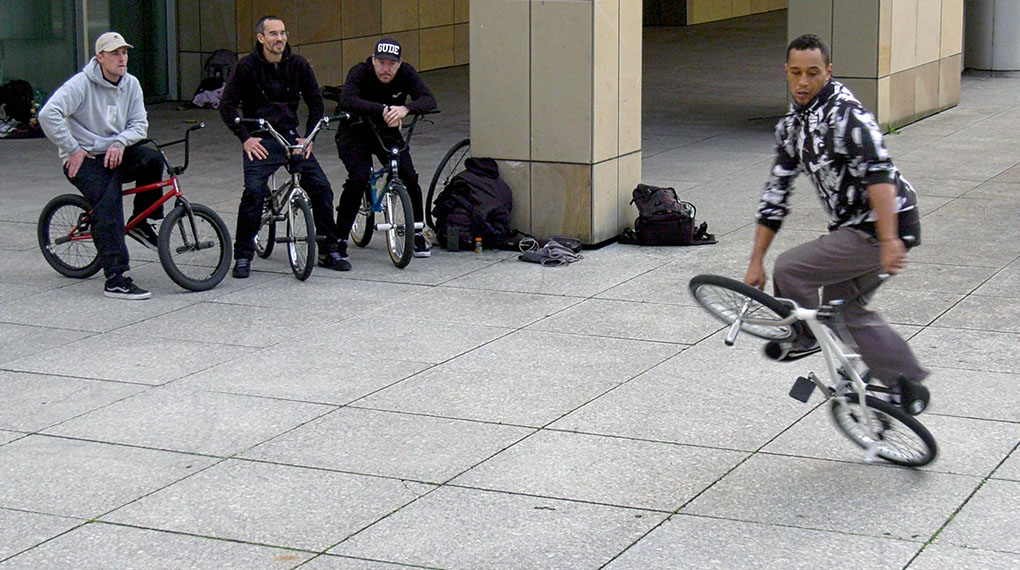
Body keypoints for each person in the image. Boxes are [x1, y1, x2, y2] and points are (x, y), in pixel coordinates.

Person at [744, 34, 930, 412]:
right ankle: (906, 386)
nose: (803, 82)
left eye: (813, 73)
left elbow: (879, 175)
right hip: (861, 227)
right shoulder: (794, 125)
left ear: (828, 72)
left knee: (791, 269)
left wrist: (888, 239)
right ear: (786, 71)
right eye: (796, 73)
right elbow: (776, 194)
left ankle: (804, 337)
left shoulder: (848, 116)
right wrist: (755, 261)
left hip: (881, 226)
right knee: (844, 310)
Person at [39, 31, 164, 300]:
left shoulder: (131, 84)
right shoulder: (81, 84)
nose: (122, 58)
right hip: (86, 158)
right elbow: (48, 114)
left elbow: (139, 125)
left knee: (153, 158)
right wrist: (72, 148)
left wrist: (120, 142)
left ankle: (141, 222)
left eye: (125, 53)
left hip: (116, 151)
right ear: (100, 58)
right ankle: (116, 279)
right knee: (109, 204)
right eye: (115, 53)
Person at [220, 15, 348, 277]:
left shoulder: (298, 64)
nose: (280, 39)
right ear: (261, 38)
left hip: (291, 137)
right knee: (254, 193)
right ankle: (243, 255)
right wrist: (245, 138)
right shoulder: (246, 66)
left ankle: (328, 250)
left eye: (283, 33)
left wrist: (308, 138)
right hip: (261, 138)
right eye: (273, 34)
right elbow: (226, 106)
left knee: (322, 188)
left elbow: (316, 103)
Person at [335, 38, 438, 263]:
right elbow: (347, 100)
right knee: (359, 178)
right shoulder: (360, 72)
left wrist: (405, 109)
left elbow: (429, 99)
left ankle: (417, 233)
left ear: (399, 63)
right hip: (355, 131)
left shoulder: (406, 73)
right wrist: (382, 109)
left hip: (386, 131)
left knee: (409, 176)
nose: (386, 69)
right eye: (381, 62)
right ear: (373, 60)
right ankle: (339, 239)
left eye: (392, 64)